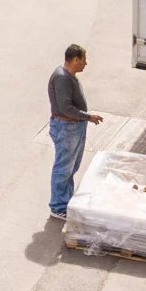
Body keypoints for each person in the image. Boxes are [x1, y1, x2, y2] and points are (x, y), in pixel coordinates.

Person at [47, 45, 94, 221]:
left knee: (71, 167)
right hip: (67, 128)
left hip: (73, 127)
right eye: (83, 60)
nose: (85, 64)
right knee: (63, 168)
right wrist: (88, 116)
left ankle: (66, 201)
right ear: (75, 60)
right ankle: (58, 207)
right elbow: (65, 108)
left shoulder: (68, 76)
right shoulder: (62, 78)